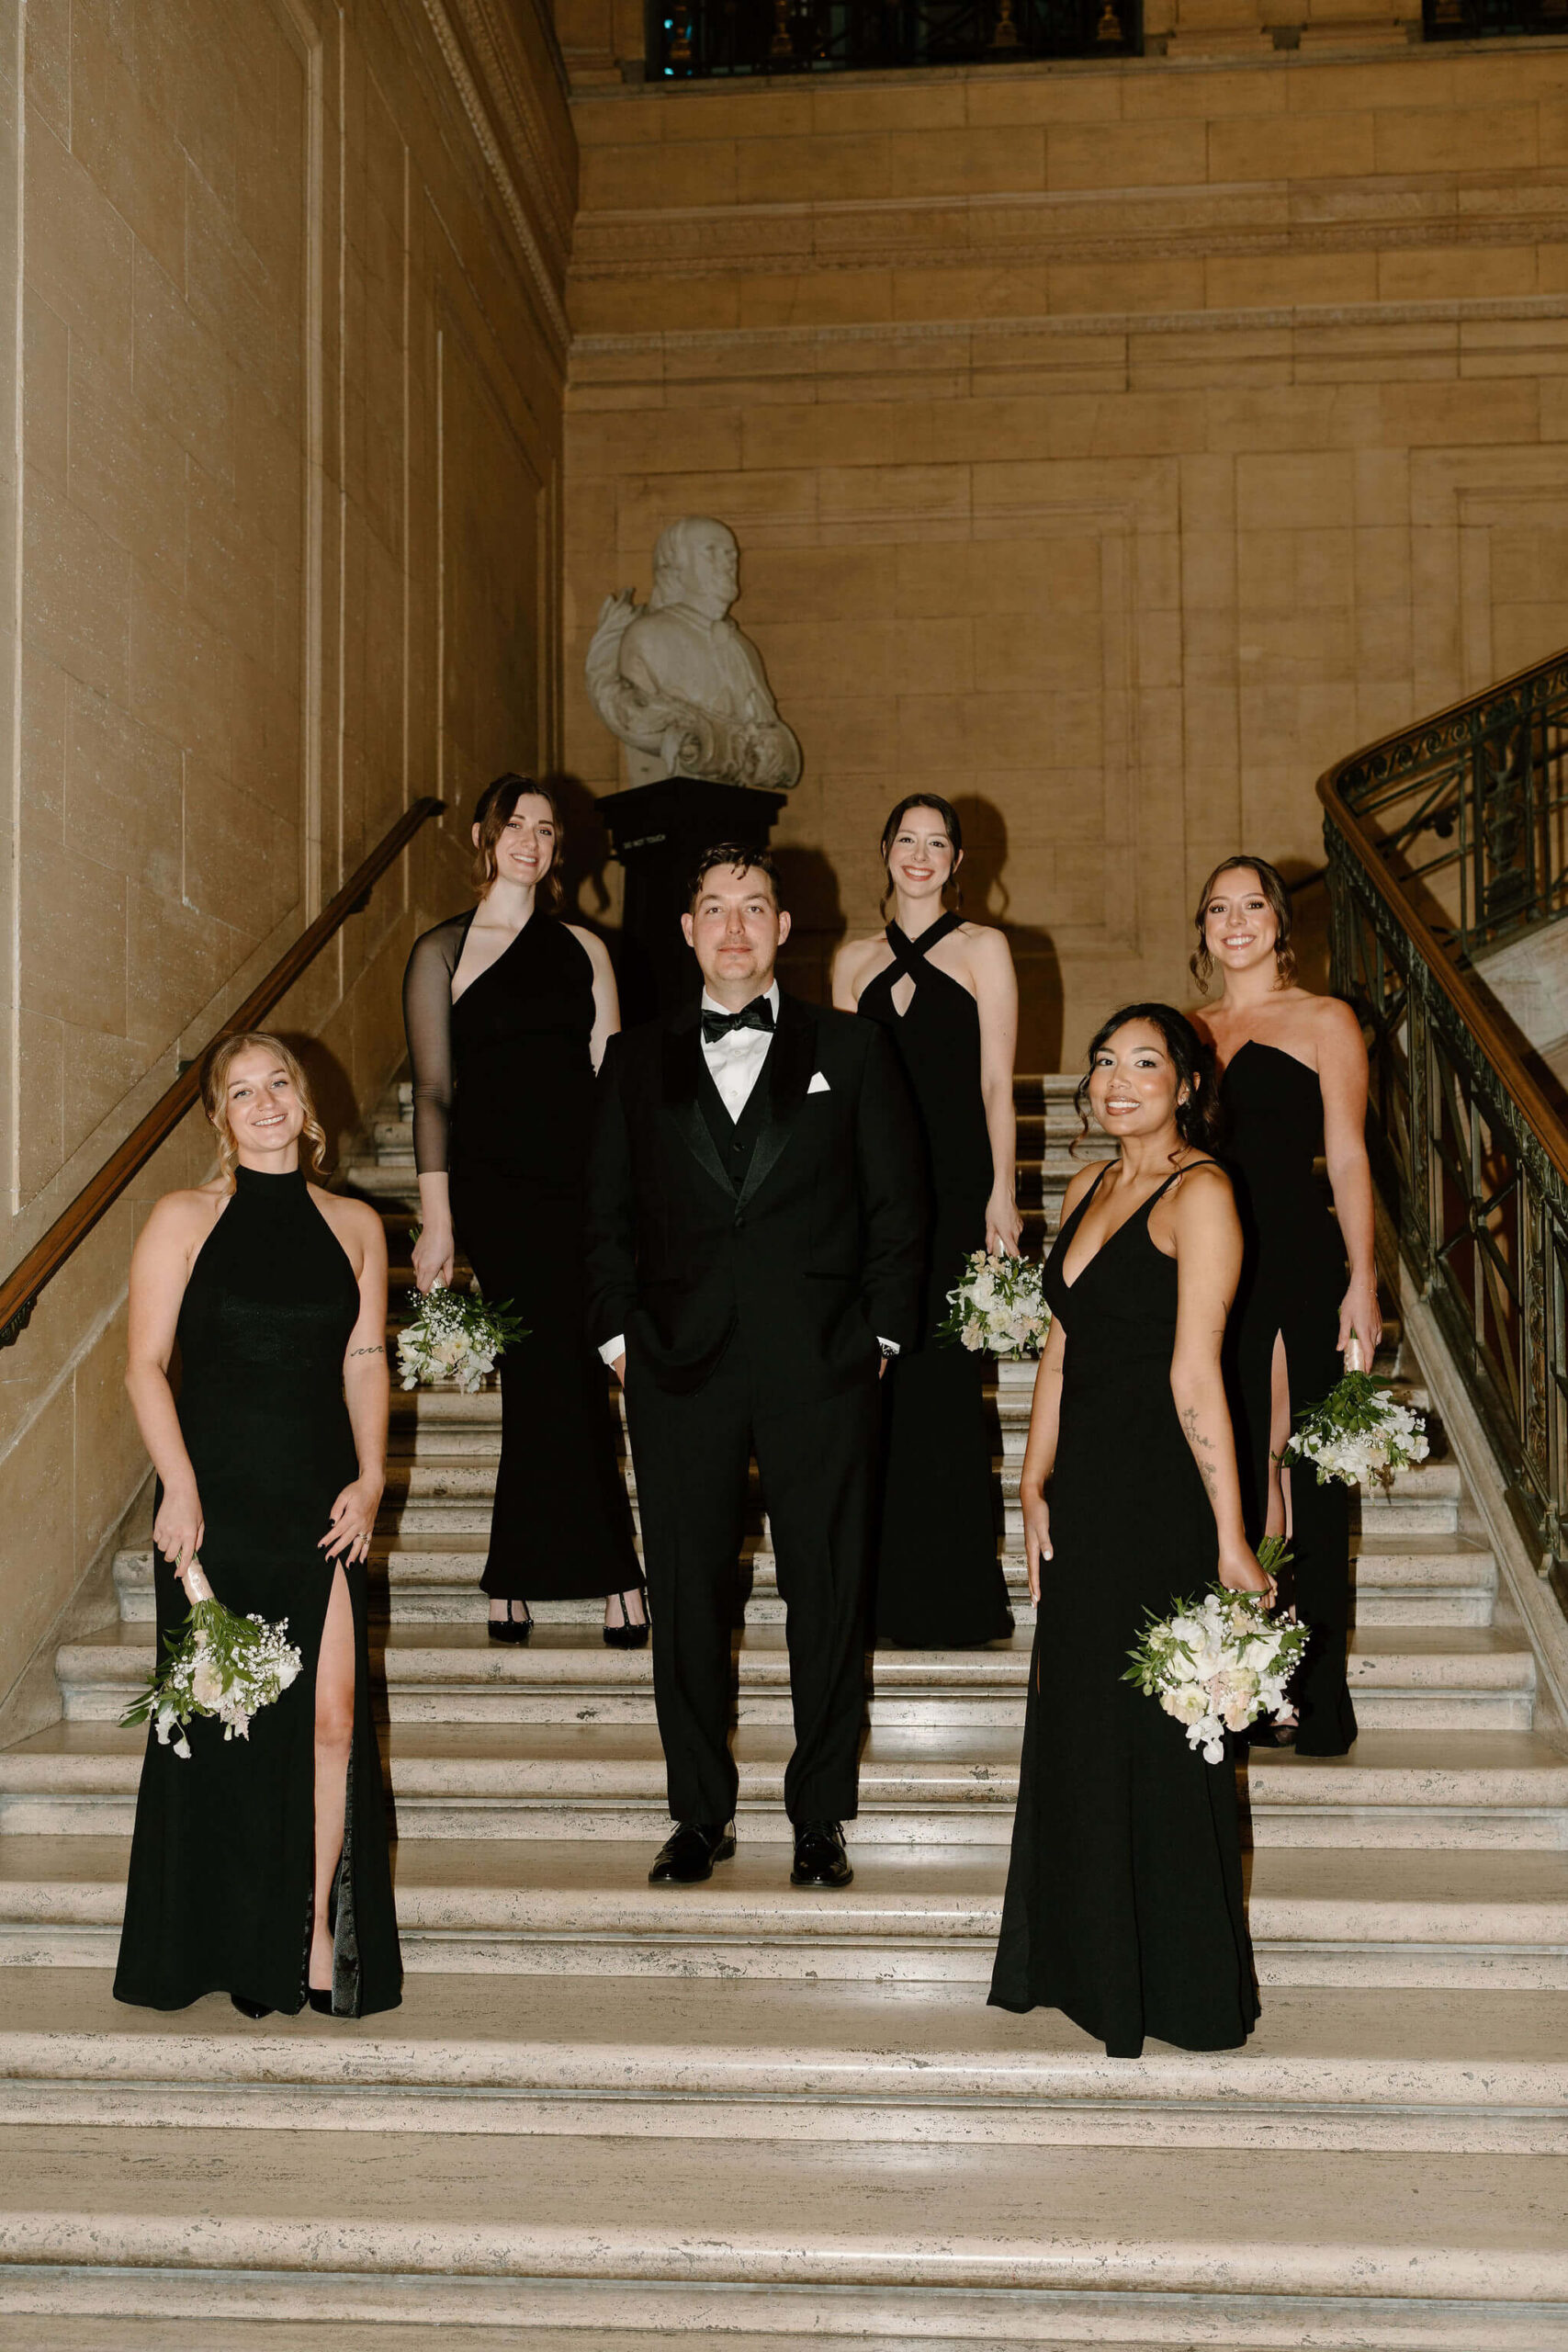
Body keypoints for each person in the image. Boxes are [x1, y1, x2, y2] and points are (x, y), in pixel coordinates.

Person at [583, 844, 925, 1892]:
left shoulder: (855, 1049)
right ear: (686, 930)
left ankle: (819, 1814)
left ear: (785, 929)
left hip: (820, 1360)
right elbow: (602, 1214)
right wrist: (617, 1336)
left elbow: (899, 1210)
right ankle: (698, 1812)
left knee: (825, 1586)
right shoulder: (635, 1061)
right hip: (677, 1363)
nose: (735, 927)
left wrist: (878, 1336)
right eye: (715, 908)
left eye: (756, 908)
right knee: (685, 1590)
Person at [989, 1005, 1270, 2059]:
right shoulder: (1089, 1186)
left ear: (1188, 1082)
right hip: (1087, 1490)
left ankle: (1181, 1986)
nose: (1118, 1079)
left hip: (1159, 1492)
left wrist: (1232, 1536)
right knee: (1083, 1724)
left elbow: (1199, 1371)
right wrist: (1029, 1474)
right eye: (1106, 1062)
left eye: (1145, 1062)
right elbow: (1062, 1343)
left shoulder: (1204, 1194)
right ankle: (1091, 1964)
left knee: (1155, 1734)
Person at [114, 1033, 401, 2020]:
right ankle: (220, 1938)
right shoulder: (183, 1217)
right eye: (243, 1091)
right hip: (217, 1503)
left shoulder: (358, 1223)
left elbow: (365, 1357)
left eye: (279, 1081)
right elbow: (144, 1365)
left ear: (306, 1096)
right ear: (219, 1119)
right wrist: (179, 1490)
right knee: (221, 1729)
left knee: (330, 1719)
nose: (267, 1100)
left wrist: (370, 1478)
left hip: (320, 1500)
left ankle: (312, 1930)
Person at [401, 775, 645, 1646]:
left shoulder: (585, 947)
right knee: (542, 1374)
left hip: (580, 1184)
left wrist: (624, 1201)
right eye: (515, 824)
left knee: (573, 1372)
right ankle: (611, 1576)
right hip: (493, 1186)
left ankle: (525, 1574)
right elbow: (433, 1093)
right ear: (480, 834)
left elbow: (611, 1082)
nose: (530, 841)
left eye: (545, 830)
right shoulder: (440, 952)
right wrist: (438, 1220)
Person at [1189, 855, 1378, 1758]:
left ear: (1280, 923)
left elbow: (1346, 1156)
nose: (1235, 921)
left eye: (1251, 905)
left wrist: (1364, 1277)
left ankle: (1317, 1684)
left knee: (1303, 1466)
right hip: (1213, 1271)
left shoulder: (1325, 1019)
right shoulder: (1186, 1031)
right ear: (1203, 930)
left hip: (1299, 1258)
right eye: (1218, 908)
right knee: (1235, 1469)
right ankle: (1256, 1677)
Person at [833, 795, 1018, 1646]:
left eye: (935, 842)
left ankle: (954, 1598)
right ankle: (873, 1594)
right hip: (872, 1202)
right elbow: (835, 1098)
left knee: (944, 1389)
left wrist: (1002, 1193)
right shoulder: (850, 960)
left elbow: (994, 1085)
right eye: (905, 838)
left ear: (955, 862)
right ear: (884, 851)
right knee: (874, 1391)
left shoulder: (986, 949)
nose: (919, 854)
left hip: (954, 1194)